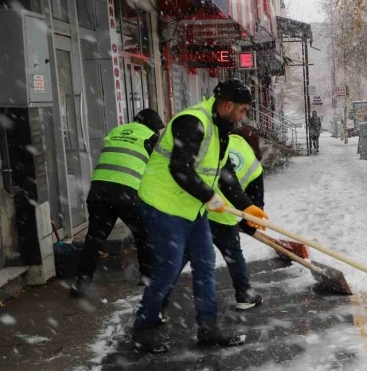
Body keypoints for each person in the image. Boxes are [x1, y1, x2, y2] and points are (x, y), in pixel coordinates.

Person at [132, 80, 269, 354]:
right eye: (241, 110)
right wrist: (209, 196)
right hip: (164, 205)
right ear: (228, 105)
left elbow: (225, 174)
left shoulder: (221, 130)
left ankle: (208, 328)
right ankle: (143, 328)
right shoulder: (192, 122)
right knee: (168, 268)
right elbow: (180, 168)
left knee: (206, 266)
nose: (243, 117)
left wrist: (247, 207)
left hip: (192, 208)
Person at [161, 129, 265, 318]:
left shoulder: (220, 141)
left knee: (179, 257)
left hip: (199, 209)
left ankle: (159, 303)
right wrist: (248, 223)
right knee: (234, 255)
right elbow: (256, 199)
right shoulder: (253, 162)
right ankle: (245, 295)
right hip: (225, 217)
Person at [71, 109, 164, 298]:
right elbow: (158, 171)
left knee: (95, 238)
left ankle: (82, 282)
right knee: (144, 235)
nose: (158, 132)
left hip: (99, 191)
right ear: (152, 126)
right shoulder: (150, 137)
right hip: (127, 191)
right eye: (158, 129)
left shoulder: (116, 131)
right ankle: (147, 276)